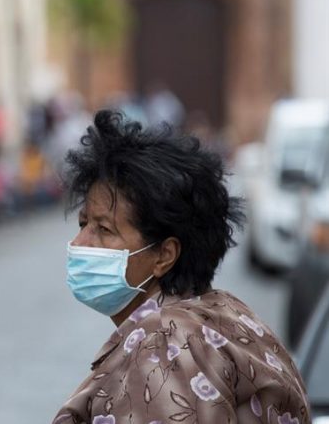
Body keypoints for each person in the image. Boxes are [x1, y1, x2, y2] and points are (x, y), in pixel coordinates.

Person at [52, 111, 309, 424]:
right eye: (83, 223)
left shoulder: (162, 348)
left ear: (164, 255)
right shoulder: (227, 314)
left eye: (104, 229)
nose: (80, 241)